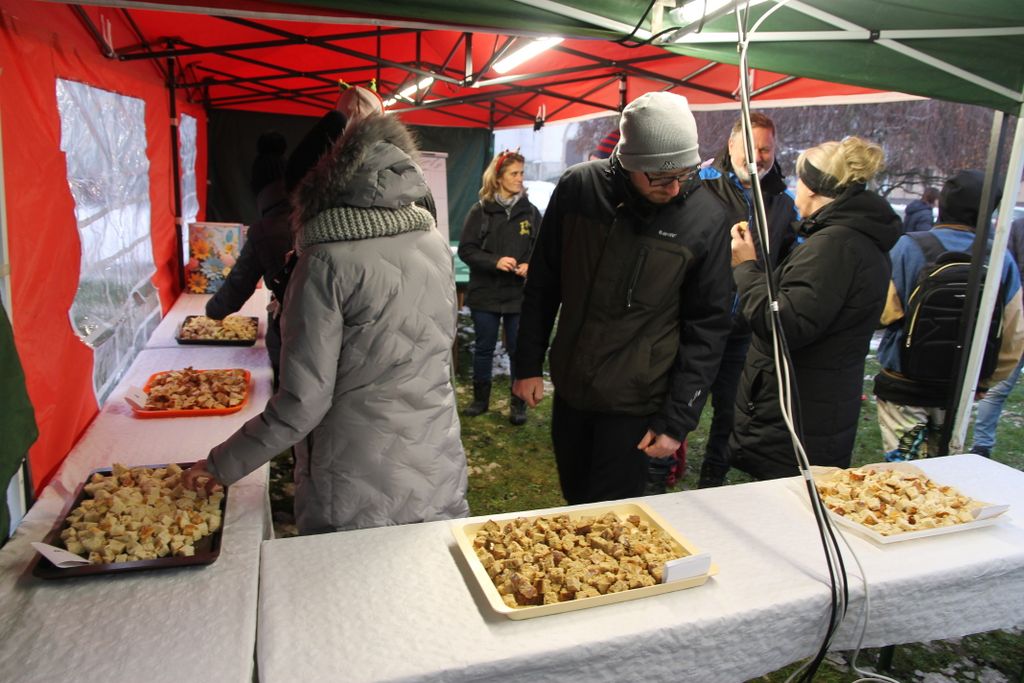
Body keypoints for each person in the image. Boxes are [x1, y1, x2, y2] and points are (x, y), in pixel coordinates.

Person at [183, 103, 469, 534]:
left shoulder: (323, 261)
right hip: (433, 452)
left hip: (354, 474)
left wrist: (219, 465)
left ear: (311, 191)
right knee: (421, 567)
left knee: (349, 575)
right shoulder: (430, 238)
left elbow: (303, 403)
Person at [513, 91, 733, 505]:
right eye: (660, 177)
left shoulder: (706, 218)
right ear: (629, 161)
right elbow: (543, 283)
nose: (674, 188)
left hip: (638, 400)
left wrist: (677, 419)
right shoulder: (579, 188)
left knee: (611, 515)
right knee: (575, 499)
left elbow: (708, 326)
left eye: (684, 173)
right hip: (573, 387)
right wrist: (527, 364)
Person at [729, 136, 901, 480]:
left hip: (798, 414)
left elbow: (782, 324)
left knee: (785, 504)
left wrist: (746, 266)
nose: (795, 188)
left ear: (812, 188)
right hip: (819, 406)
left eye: (800, 180)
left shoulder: (834, 246)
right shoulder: (855, 239)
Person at [875, 171, 1024, 460]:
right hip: (958, 386)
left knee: (904, 473)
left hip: (903, 382)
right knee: (945, 471)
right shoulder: (998, 259)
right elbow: (1014, 333)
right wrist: (985, 380)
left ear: (942, 203)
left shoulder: (907, 246)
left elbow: (883, 311)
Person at [684, 112, 798, 490]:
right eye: (750, 147)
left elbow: (791, 258)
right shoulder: (701, 183)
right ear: (731, 144)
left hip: (744, 328)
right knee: (680, 401)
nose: (757, 157)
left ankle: (712, 478)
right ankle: (656, 474)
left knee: (731, 411)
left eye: (765, 149)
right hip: (697, 320)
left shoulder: (782, 201)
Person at [457, 149, 541, 425]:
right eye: (514, 173)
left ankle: (518, 405)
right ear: (498, 177)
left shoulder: (531, 212)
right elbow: (467, 250)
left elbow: (542, 249)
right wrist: (495, 261)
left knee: (518, 350)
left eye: (521, 173)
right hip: (486, 293)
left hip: (518, 296)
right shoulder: (480, 211)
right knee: (484, 348)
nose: (520, 178)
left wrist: (530, 264)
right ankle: (480, 400)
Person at [205, 131, 291, 388]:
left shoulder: (265, 229)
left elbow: (238, 286)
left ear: (258, 189)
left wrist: (212, 311)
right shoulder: (312, 214)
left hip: (290, 333)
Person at [970, 216, 1024, 458]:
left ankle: (982, 445)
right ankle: (982, 446)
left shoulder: (1018, 226)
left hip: (1015, 312)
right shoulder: (1019, 226)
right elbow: (1006, 266)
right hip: (1016, 314)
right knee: (997, 388)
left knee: (997, 389)